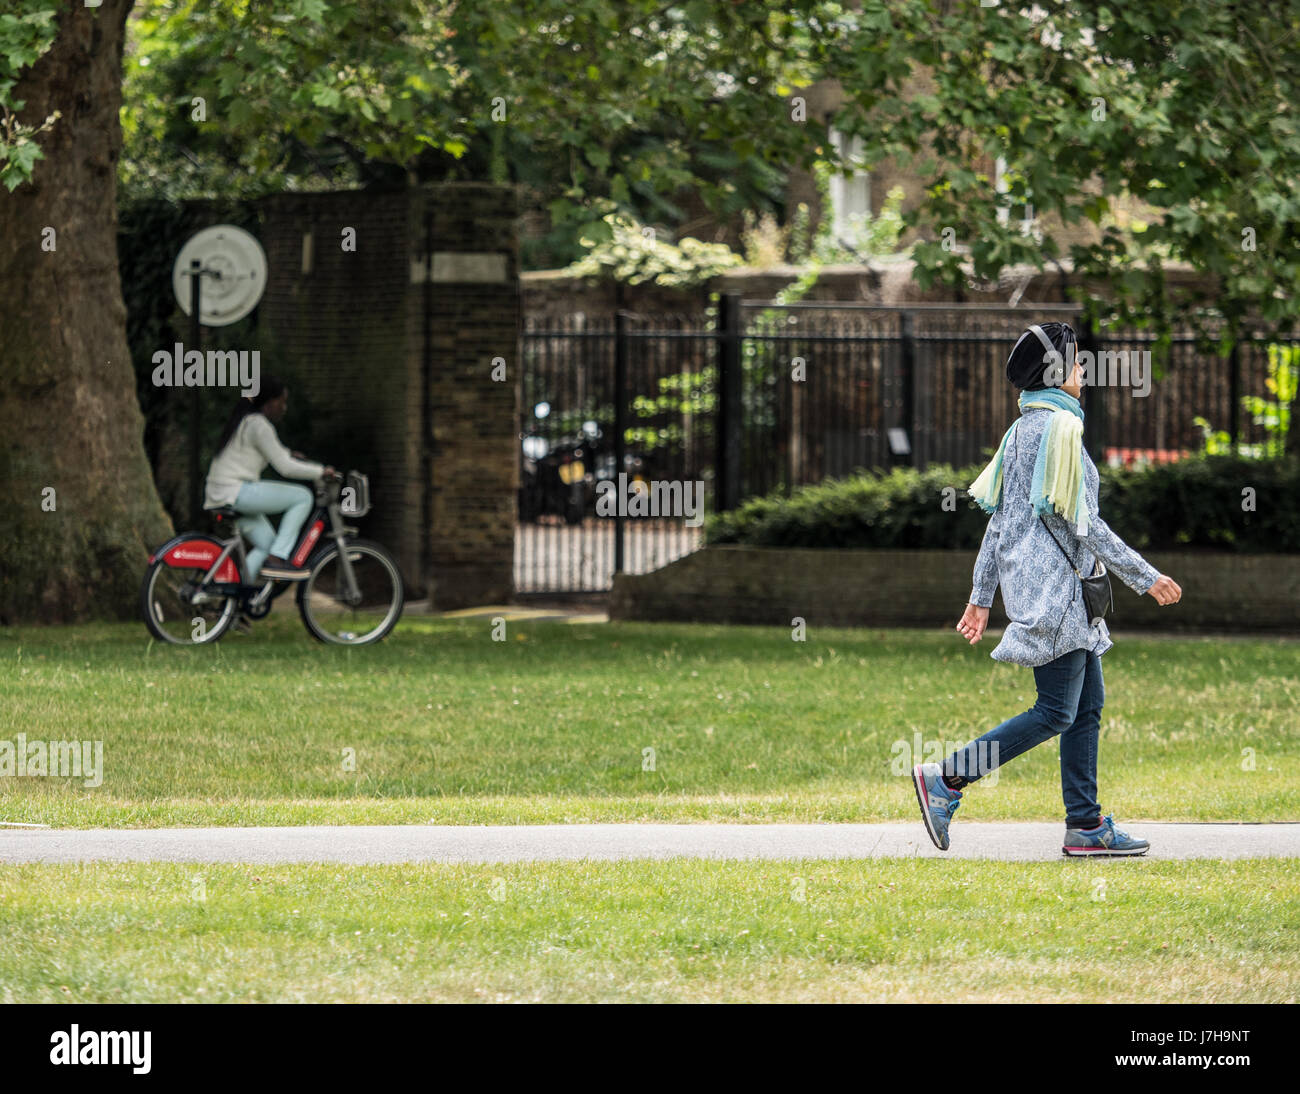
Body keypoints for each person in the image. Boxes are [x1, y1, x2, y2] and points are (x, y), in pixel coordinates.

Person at [912, 322, 1182, 856]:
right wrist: (1145, 576)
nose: (1084, 372)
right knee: (1056, 710)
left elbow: (999, 523)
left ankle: (1085, 825)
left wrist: (981, 595)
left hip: (1058, 596)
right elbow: (1087, 524)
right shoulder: (1058, 431)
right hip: (1058, 598)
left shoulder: (1022, 430)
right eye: (1078, 363)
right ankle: (947, 779)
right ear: (1057, 374)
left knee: (1086, 707)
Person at [203, 377, 332, 582]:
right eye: (282, 401)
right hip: (236, 492)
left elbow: (275, 452)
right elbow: (285, 468)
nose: (284, 407)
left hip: (222, 493)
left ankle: (239, 598)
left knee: (266, 544)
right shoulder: (259, 425)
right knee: (303, 497)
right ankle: (278, 557)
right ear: (270, 402)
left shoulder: (245, 421)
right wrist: (321, 472)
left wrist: (290, 453)